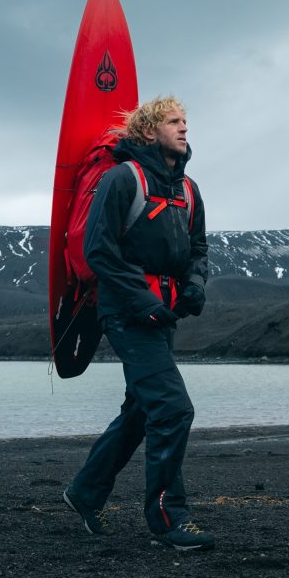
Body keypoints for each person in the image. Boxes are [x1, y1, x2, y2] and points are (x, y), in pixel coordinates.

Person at [61, 96, 215, 550]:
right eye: (173, 122)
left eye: (186, 120)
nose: (184, 128)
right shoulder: (121, 179)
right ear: (149, 132)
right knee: (173, 408)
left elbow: (199, 248)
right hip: (127, 312)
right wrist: (141, 301)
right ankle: (168, 519)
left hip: (163, 313)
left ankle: (85, 492)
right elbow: (100, 252)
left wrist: (194, 286)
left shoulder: (188, 189)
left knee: (143, 409)